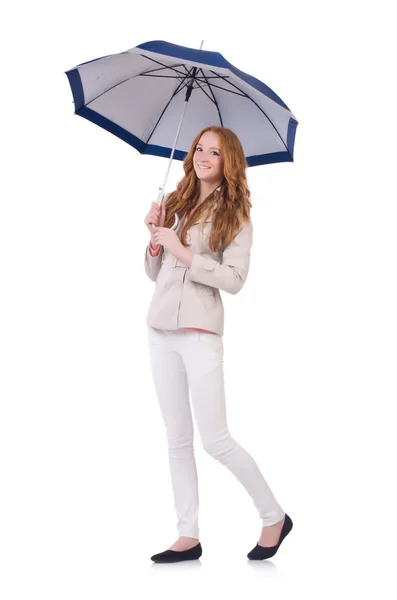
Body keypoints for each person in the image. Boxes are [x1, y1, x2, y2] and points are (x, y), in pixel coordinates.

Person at [143, 126, 293, 563]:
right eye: (199, 148)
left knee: (216, 440)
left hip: (200, 333)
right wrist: (154, 238)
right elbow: (155, 274)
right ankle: (187, 535)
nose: (204, 156)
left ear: (230, 161)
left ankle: (274, 516)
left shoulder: (236, 215)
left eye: (215, 151)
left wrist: (185, 251)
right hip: (159, 329)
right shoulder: (174, 203)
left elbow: (234, 280)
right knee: (176, 438)